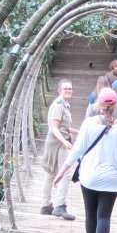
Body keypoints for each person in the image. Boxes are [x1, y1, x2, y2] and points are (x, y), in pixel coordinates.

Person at [54, 89, 117, 233]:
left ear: (98, 104)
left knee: (91, 215)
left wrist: (62, 171)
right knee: (104, 216)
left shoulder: (88, 124)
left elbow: (77, 150)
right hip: (111, 179)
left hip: (89, 177)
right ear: (116, 106)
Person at [39, 78, 77, 220]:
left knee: (50, 173)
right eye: (65, 88)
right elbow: (53, 127)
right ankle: (60, 206)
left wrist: (79, 132)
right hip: (57, 143)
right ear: (59, 90)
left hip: (58, 141)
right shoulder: (59, 105)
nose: (68, 90)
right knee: (65, 172)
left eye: (70, 88)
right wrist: (65, 142)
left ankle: (46, 205)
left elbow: (63, 126)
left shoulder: (65, 105)